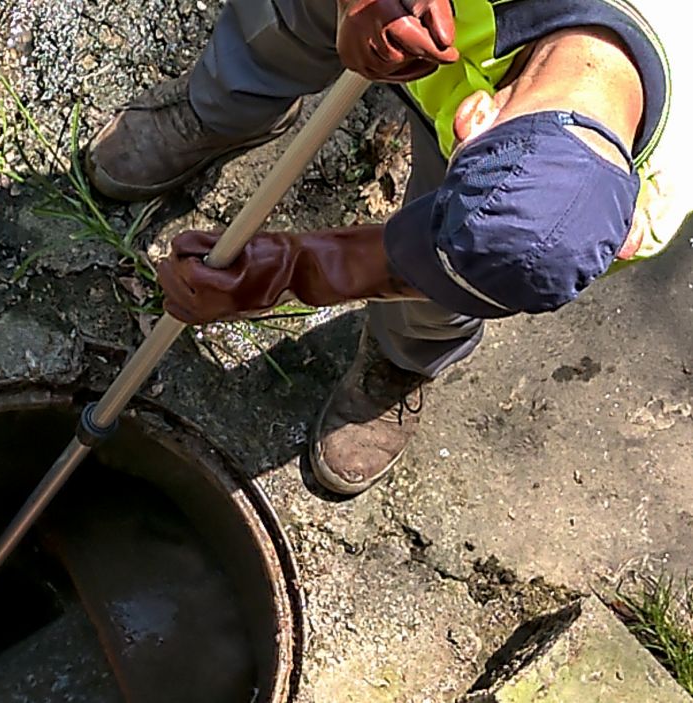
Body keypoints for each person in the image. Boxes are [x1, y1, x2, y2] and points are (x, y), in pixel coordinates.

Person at [85, 0, 689, 496]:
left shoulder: (647, 207)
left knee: (447, 294)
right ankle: (221, 108)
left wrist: (284, 270)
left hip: (485, 102)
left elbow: (436, 267)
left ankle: (404, 358)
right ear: (478, 116)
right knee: (294, 17)